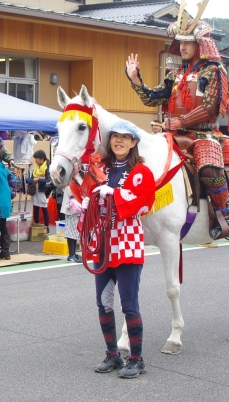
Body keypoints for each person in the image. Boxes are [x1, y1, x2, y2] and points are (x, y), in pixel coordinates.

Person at [125, 2, 229, 240]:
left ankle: (222, 214)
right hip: (171, 133)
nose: (182, 46)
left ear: (200, 45)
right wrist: (136, 80)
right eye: (180, 42)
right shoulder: (175, 74)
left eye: (187, 42)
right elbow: (154, 98)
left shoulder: (213, 71)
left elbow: (210, 108)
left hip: (202, 134)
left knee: (209, 168)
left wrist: (180, 121)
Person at [86, 120, 155, 379]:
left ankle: (136, 359)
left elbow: (144, 204)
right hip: (102, 243)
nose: (119, 141)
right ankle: (112, 354)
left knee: (129, 304)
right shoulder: (100, 168)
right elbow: (89, 196)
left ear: (134, 142)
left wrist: (113, 193)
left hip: (127, 243)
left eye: (125, 138)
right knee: (103, 304)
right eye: (115, 136)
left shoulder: (141, 171)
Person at [61, 187, 82, 263]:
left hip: (74, 208)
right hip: (71, 208)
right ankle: (71, 254)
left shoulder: (73, 180)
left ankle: (72, 254)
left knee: (74, 232)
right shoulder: (71, 182)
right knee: (71, 233)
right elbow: (72, 193)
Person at [30, 150, 50, 227]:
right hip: (36, 190)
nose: (35, 160)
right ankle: (36, 225)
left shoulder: (47, 166)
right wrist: (30, 180)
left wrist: (39, 179)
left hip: (43, 190)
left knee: (44, 209)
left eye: (36, 159)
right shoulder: (36, 167)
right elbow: (32, 177)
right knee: (36, 208)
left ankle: (46, 227)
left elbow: (48, 180)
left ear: (42, 159)